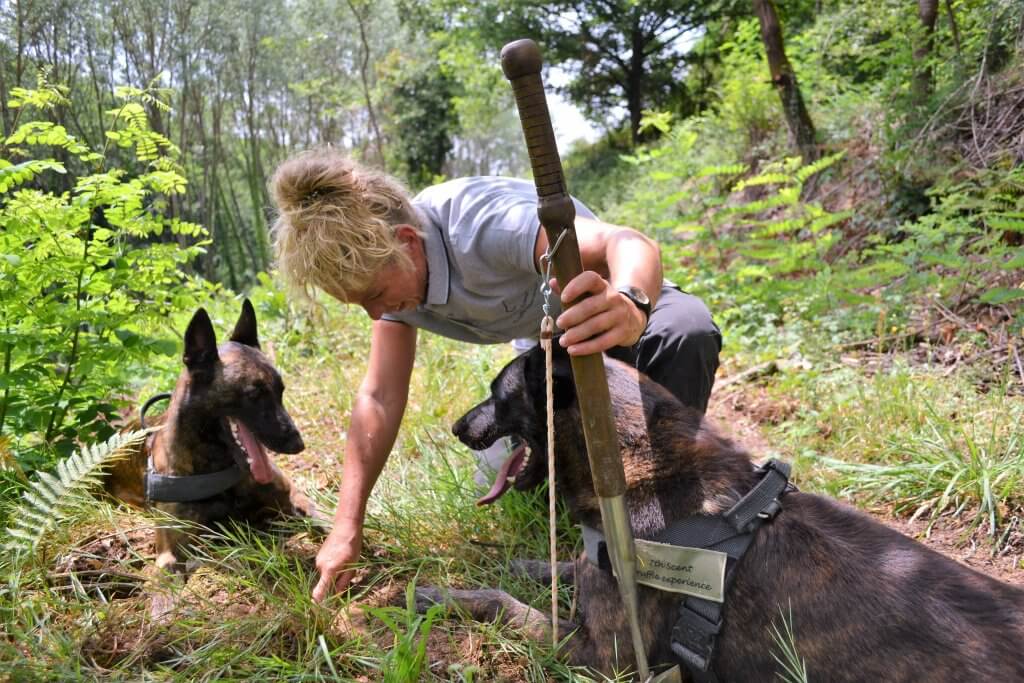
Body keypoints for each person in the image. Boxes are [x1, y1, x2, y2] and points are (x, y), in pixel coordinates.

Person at [270, 150, 721, 602]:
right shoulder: (393, 281)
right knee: (522, 485)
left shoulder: (487, 227)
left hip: (607, 311)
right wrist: (347, 526)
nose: (375, 313)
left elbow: (626, 242)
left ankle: (667, 516)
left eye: (375, 295)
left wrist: (630, 303)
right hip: (549, 348)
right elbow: (379, 397)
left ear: (407, 243)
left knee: (685, 330)